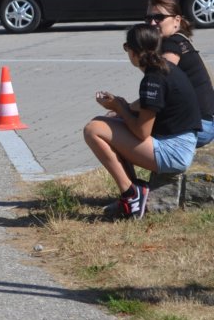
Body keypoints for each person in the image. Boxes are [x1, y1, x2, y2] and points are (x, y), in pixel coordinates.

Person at [83, 24, 200, 220]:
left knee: (93, 129)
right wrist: (121, 107)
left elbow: (141, 132)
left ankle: (131, 193)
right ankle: (133, 190)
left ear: (133, 51)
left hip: (174, 152)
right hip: (180, 143)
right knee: (110, 123)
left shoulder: (153, 79)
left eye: (126, 47)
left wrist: (120, 108)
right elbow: (146, 111)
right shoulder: (164, 68)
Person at [144, 0, 214, 147]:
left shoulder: (171, 45)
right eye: (148, 18)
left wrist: (124, 108)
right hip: (204, 123)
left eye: (159, 18)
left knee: (123, 128)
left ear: (177, 20)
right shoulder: (181, 40)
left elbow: (158, 88)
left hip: (198, 127)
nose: (152, 23)